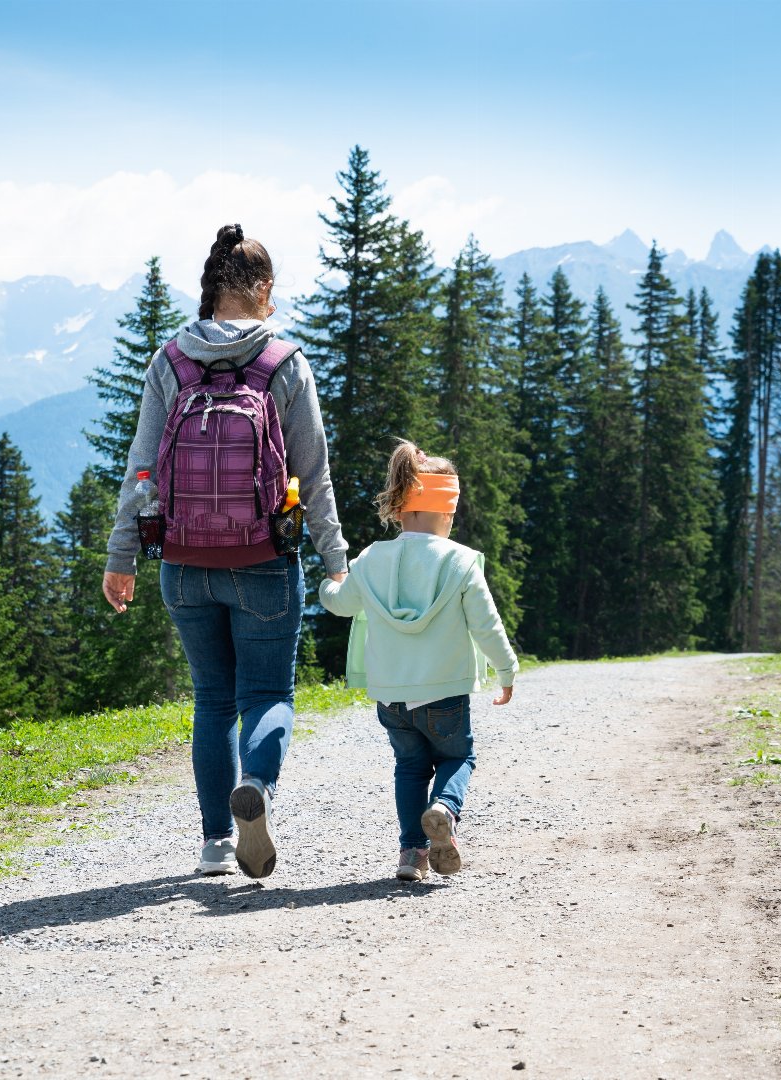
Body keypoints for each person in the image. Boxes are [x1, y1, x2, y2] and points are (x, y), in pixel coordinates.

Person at [102, 224, 348, 880]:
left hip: (183, 563)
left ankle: (215, 842)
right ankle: (257, 789)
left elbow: (142, 470)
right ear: (263, 290)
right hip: (264, 559)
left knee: (212, 697)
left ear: (210, 290)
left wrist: (120, 557)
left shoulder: (169, 362)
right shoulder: (285, 363)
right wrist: (335, 559)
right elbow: (314, 472)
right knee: (266, 689)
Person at [319, 441, 518, 881]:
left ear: (400, 506)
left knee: (409, 767)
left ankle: (412, 856)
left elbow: (340, 603)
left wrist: (329, 585)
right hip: (445, 691)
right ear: (446, 513)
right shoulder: (462, 562)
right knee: (458, 758)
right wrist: (506, 670)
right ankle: (445, 809)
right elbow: (487, 624)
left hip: (391, 694)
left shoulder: (371, 559)